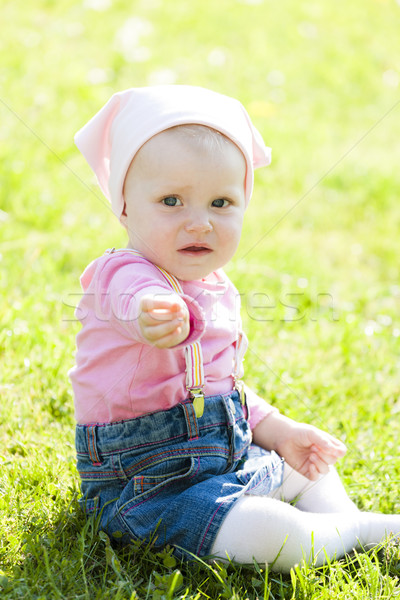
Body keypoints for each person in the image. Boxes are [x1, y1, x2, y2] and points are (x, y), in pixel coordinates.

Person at [69, 85, 400, 572]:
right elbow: (129, 301)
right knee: (278, 537)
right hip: (149, 486)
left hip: (225, 458)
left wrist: (280, 430)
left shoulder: (218, 287)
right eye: (172, 201)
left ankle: (345, 523)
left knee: (307, 465)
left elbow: (221, 390)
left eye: (221, 203)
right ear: (123, 206)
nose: (199, 223)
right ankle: (356, 532)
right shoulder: (122, 274)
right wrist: (151, 312)